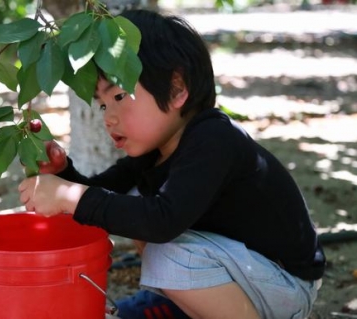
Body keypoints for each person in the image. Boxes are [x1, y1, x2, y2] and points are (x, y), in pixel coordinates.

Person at [18, 9, 325, 319]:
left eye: (120, 96)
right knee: (132, 206)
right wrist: (64, 176)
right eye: (102, 104)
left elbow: (161, 222)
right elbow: (103, 196)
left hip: (284, 283)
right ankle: (181, 309)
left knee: (167, 249)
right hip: (244, 271)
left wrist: (68, 194)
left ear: (177, 88)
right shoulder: (157, 151)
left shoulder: (214, 138)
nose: (108, 117)